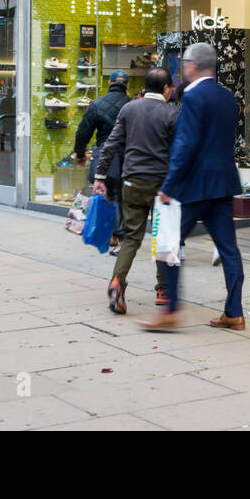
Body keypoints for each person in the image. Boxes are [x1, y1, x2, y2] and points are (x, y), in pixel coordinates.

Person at [140, 42, 245, 330]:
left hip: (194, 186)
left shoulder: (193, 97)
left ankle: (170, 312)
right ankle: (234, 312)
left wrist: (169, 185)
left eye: (185, 63)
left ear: (192, 66)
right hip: (223, 184)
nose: (183, 68)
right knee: (229, 250)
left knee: (172, 245)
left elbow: (185, 145)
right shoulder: (228, 97)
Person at [94, 68, 176, 315]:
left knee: (131, 238)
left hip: (132, 182)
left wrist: (100, 176)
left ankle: (118, 283)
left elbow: (111, 144)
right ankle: (163, 291)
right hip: (162, 184)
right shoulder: (172, 113)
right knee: (162, 238)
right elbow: (179, 151)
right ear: (165, 89)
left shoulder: (129, 109)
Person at [74, 69, 131, 253]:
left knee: (108, 194)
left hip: (106, 156)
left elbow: (83, 132)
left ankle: (116, 236)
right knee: (120, 196)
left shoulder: (96, 104)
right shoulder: (132, 105)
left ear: (109, 83)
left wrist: (80, 154)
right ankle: (116, 235)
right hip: (127, 156)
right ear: (127, 86)